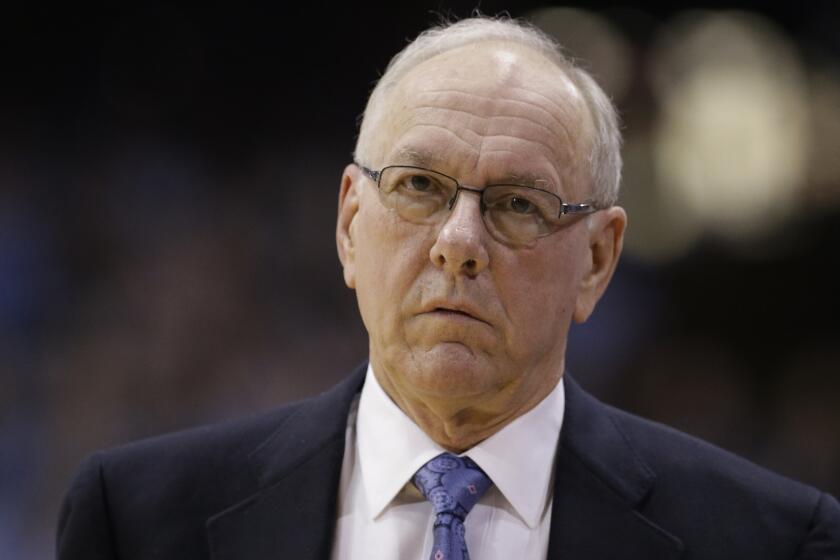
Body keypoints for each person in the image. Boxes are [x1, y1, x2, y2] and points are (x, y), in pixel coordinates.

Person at [57, 16, 839, 560]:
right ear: (348, 224)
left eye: (519, 206)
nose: (460, 243)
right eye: (420, 186)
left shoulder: (768, 540)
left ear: (597, 260)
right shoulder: (139, 519)